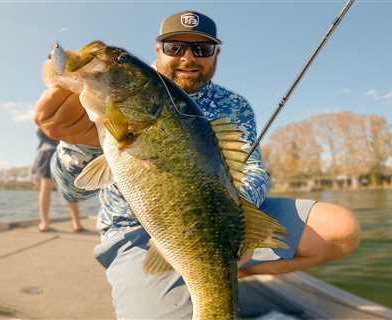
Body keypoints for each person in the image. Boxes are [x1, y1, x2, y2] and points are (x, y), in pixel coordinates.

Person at [34, 10, 360, 318]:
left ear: (216, 54)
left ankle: (226, 271)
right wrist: (80, 143)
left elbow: (254, 170)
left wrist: (234, 227)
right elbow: (72, 191)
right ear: (158, 50)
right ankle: (204, 274)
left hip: (224, 215)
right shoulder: (103, 104)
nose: (188, 57)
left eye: (202, 49)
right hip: (134, 232)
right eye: (175, 47)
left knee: (339, 230)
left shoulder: (233, 104)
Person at [31, 128, 84, 232]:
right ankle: (76, 223)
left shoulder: (45, 119)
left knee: (45, 186)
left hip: (48, 151)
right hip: (64, 153)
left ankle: (44, 223)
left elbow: (40, 133)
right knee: (67, 188)